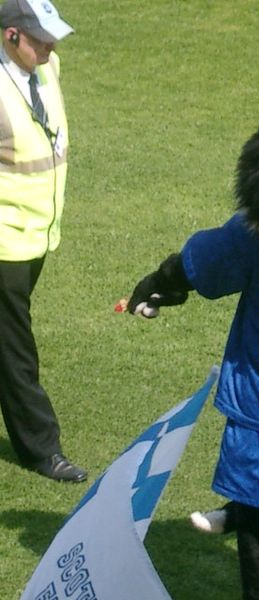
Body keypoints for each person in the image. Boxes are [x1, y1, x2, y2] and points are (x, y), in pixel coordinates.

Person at [0, 0, 86, 482]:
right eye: (40, 40)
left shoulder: (46, 68)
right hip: (4, 245)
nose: (51, 50)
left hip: (36, 237)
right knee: (14, 349)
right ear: (12, 36)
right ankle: (42, 447)